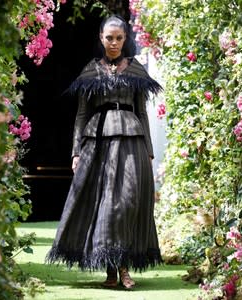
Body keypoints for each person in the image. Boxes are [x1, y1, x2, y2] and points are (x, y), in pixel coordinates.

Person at [46, 14, 162, 289]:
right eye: (109, 37)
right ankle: (114, 272)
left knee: (127, 203)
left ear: (125, 39)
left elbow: (143, 113)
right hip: (97, 144)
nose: (114, 42)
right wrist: (76, 152)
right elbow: (81, 114)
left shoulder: (135, 69)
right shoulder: (91, 70)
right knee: (105, 205)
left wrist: (149, 150)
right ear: (101, 38)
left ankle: (123, 267)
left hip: (132, 141)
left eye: (119, 38)